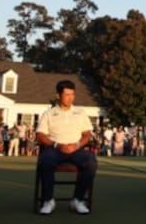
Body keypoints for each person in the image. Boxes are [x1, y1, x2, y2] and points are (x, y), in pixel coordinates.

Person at [35, 80, 97, 215]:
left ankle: (78, 200)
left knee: (91, 162)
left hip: (76, 149)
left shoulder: (80, 112)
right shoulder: (49, 113)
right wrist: (57, 145)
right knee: (45, 161)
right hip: (55, 148)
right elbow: (40, 135)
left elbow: (87, 134)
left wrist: (78, 145)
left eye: (72, 94)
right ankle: (48, 200)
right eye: (67, 94)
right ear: (58, 95)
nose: (70, 97)